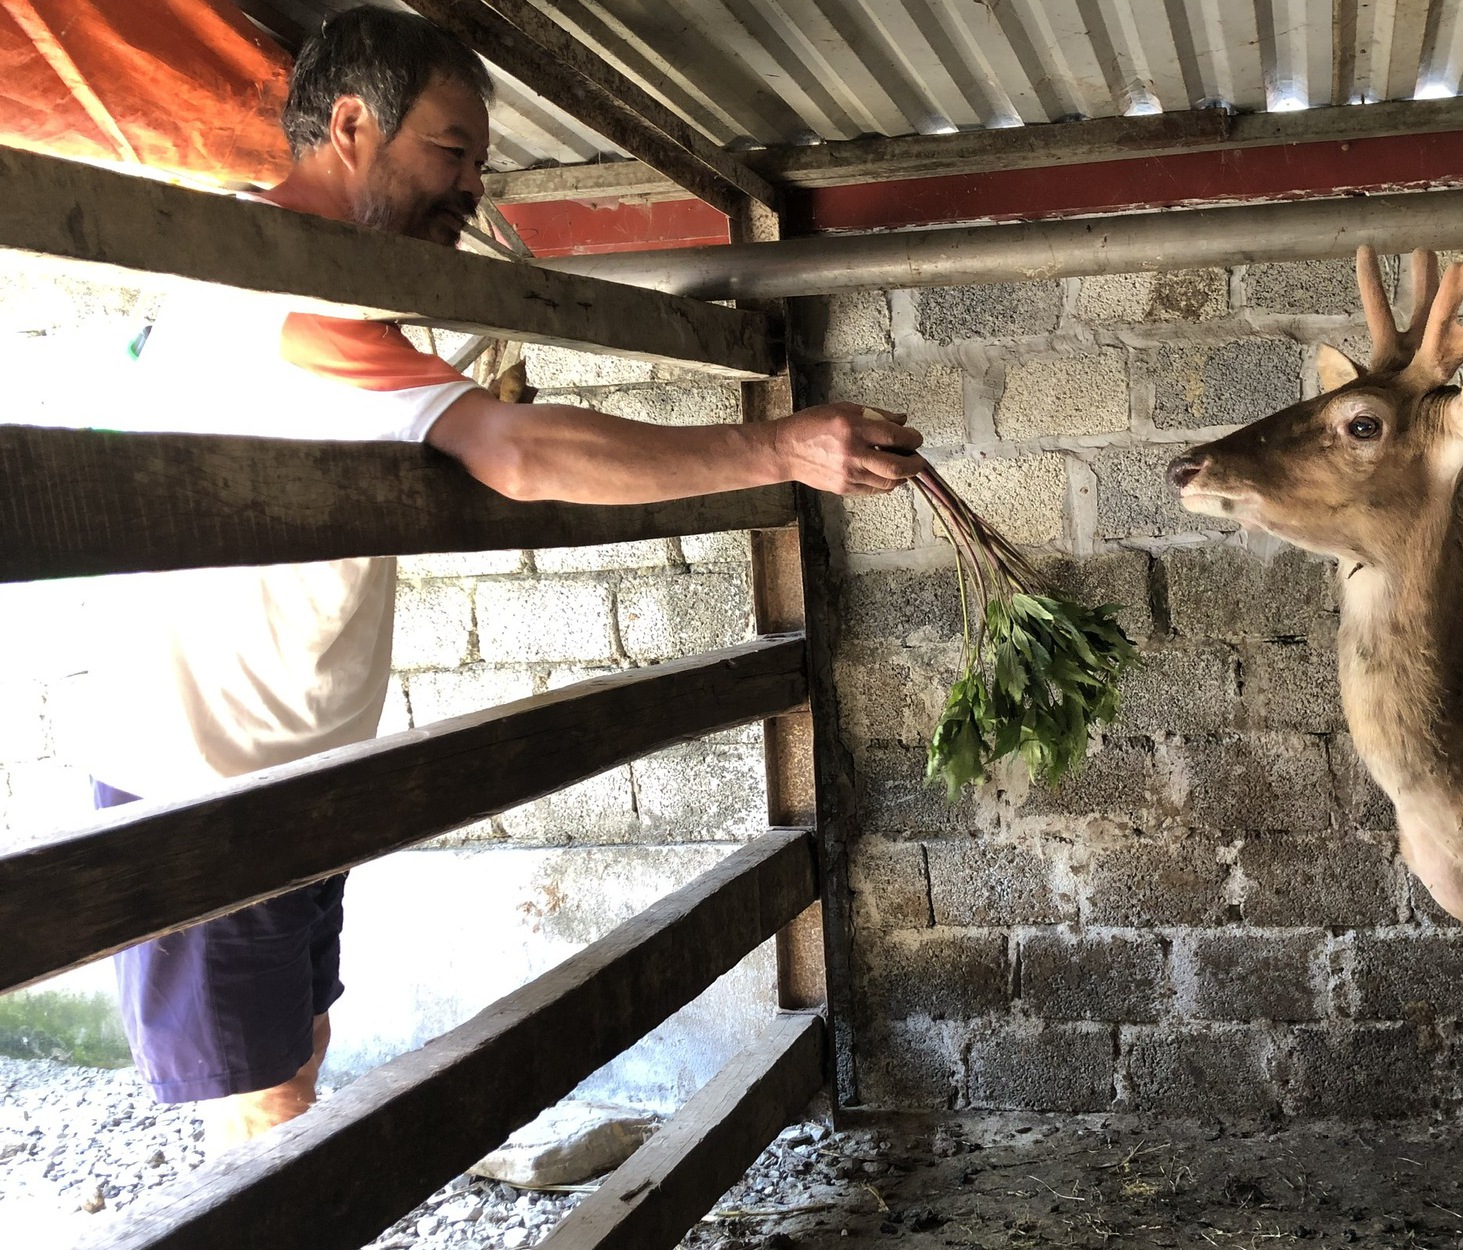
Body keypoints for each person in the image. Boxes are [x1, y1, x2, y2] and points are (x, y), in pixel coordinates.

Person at [81, 6, 920, 1150]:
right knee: (262, 1106)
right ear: (348, 124)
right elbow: (519, 453)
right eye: (450, 149)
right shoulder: (293, 300)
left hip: (284, 768)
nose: (471, 186)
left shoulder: (309, 287)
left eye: (477, 160)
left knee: (299, 1046)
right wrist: (778, 448)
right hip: (202, 777)